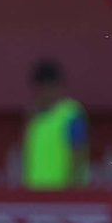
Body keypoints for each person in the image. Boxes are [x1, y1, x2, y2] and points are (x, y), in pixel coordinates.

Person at [22, 59, 88, 190]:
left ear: (55, 86)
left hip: (62, 195)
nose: (40, 95)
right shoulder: (35, 118)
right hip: (35, 194)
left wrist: (74, 192)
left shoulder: (71, 114)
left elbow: (78, 156)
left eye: (43, 89)